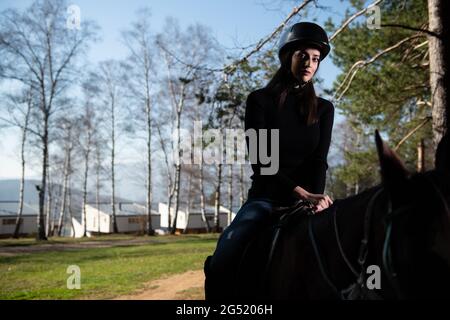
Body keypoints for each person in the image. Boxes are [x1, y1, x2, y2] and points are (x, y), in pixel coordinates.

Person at [205, 22, 335, 299]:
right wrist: (301, 192)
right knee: (223, 258)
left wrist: (317, 198)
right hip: (265, 200)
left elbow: (319, 161)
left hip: (307, 202)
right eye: (303, 55)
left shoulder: (325, 109)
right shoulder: (260, 101)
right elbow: (263, 162)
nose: (310, 63)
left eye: (315, 59)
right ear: (288, 56)